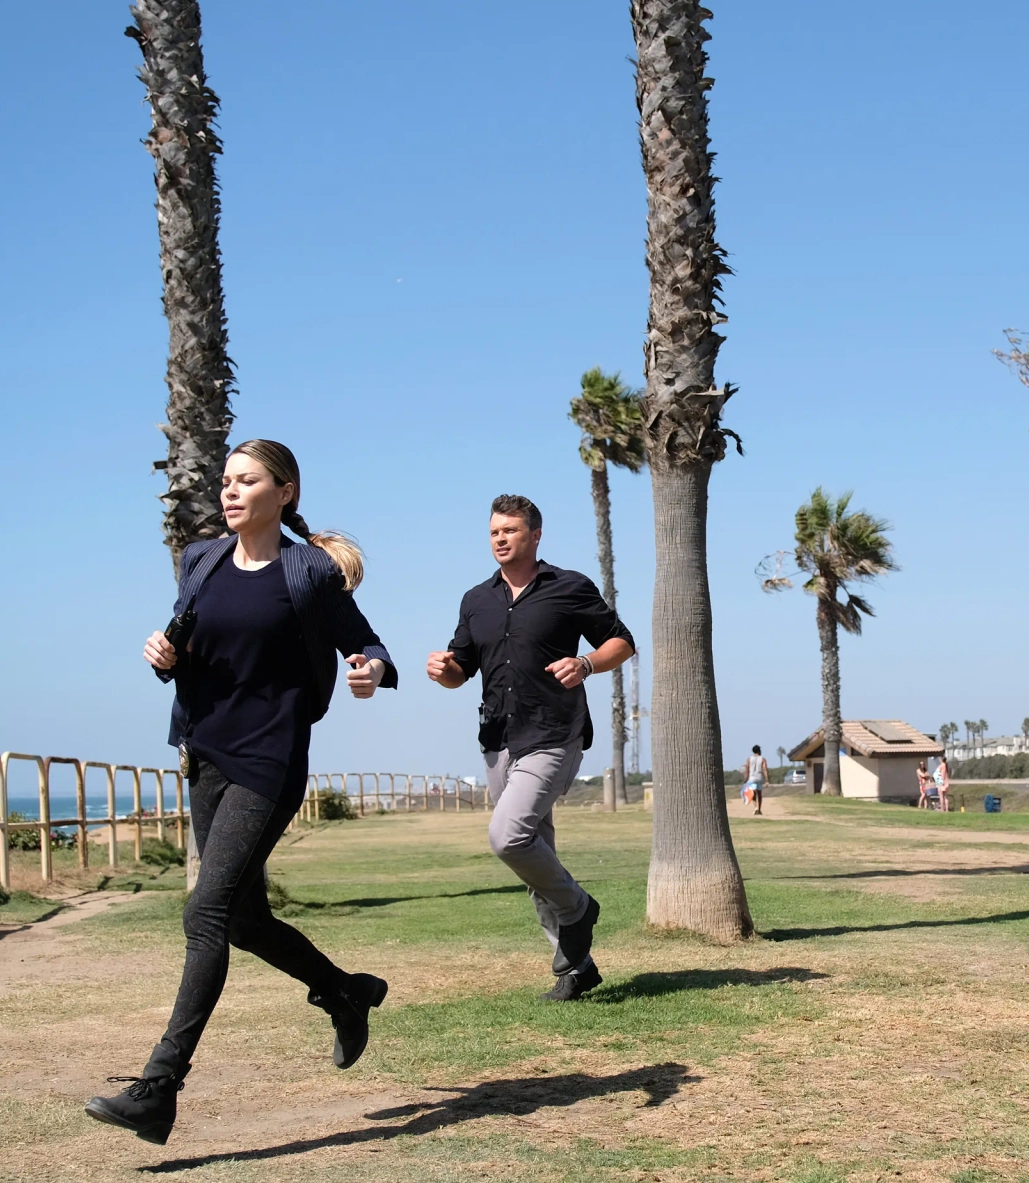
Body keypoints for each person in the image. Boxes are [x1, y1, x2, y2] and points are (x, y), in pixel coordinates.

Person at [87, 440, 398, 1146]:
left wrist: (370, 673)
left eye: (246, 480)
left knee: (206, 912)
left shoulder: (309, 570)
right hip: (206, 756)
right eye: (226, 480)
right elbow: (187, 644)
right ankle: (345, 992)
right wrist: (164, 654)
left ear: (283, 492)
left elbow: (370, 646)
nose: (230, 491)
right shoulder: (202, 561)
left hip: (270, 758)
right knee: (243, 921)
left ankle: (158, 1089)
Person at [427, 496, 635, 1001]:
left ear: (535, 535)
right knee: (533, 856)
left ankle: (580, 909)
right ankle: (578, 968)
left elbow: (621, 642)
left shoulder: (568, 587)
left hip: (554, 733)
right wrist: (443, 671)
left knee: (508, 837)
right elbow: (461, 670)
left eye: (511, 530)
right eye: (494, 531)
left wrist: (585, 664)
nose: (500, 538)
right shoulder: (476, 599)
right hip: (499, 742)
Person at [742, 745, 768, 816]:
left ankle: (755, 807)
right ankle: (759, 808)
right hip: (759, 777)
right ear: (759, 751)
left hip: (752, 778)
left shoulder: (749, 759)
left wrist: (745, 779)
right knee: (759, 794)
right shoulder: (762, 759)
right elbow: (765, 769)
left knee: (753, 793)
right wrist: (767, 780)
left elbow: (747, 770)